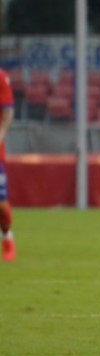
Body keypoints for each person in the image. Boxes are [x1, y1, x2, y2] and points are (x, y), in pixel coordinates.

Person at [0, 68, 16, 262]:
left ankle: (7, 236)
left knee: (2, 206)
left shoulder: (1, 78)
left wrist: (1, 135)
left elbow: (8, 111)